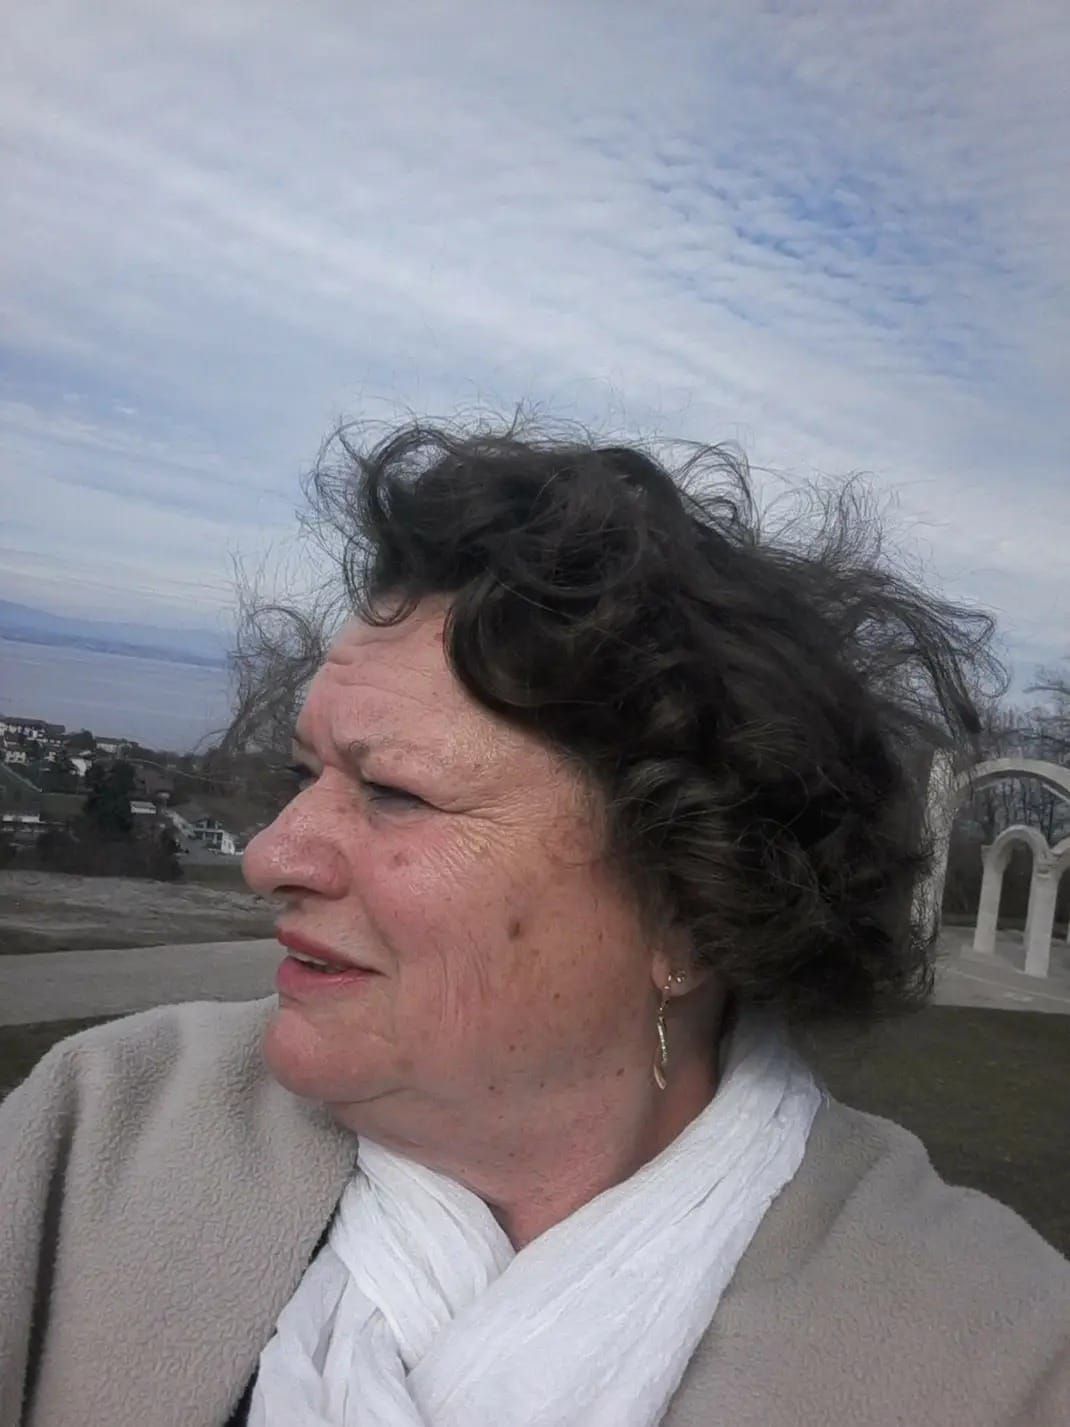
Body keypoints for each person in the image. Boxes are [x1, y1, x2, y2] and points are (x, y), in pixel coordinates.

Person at [2, 422, 1067, 1427]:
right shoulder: (103, 1131)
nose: (270, 854)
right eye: (301, 773)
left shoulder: (992, 1353)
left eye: (394, 793)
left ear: (692, 908)